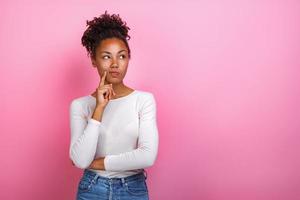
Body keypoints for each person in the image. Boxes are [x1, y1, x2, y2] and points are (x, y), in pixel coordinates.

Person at [69, 11, 159, 200]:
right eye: (106, 57)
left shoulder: (143, 101)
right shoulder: (81, 106)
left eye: (122, 56)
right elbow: (80, 160)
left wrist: (99, 163)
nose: (115, 64)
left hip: (133, 189)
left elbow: (147, 156)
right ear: (94, 60)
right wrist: (99, 108)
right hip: (92, 189)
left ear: (128, 59)